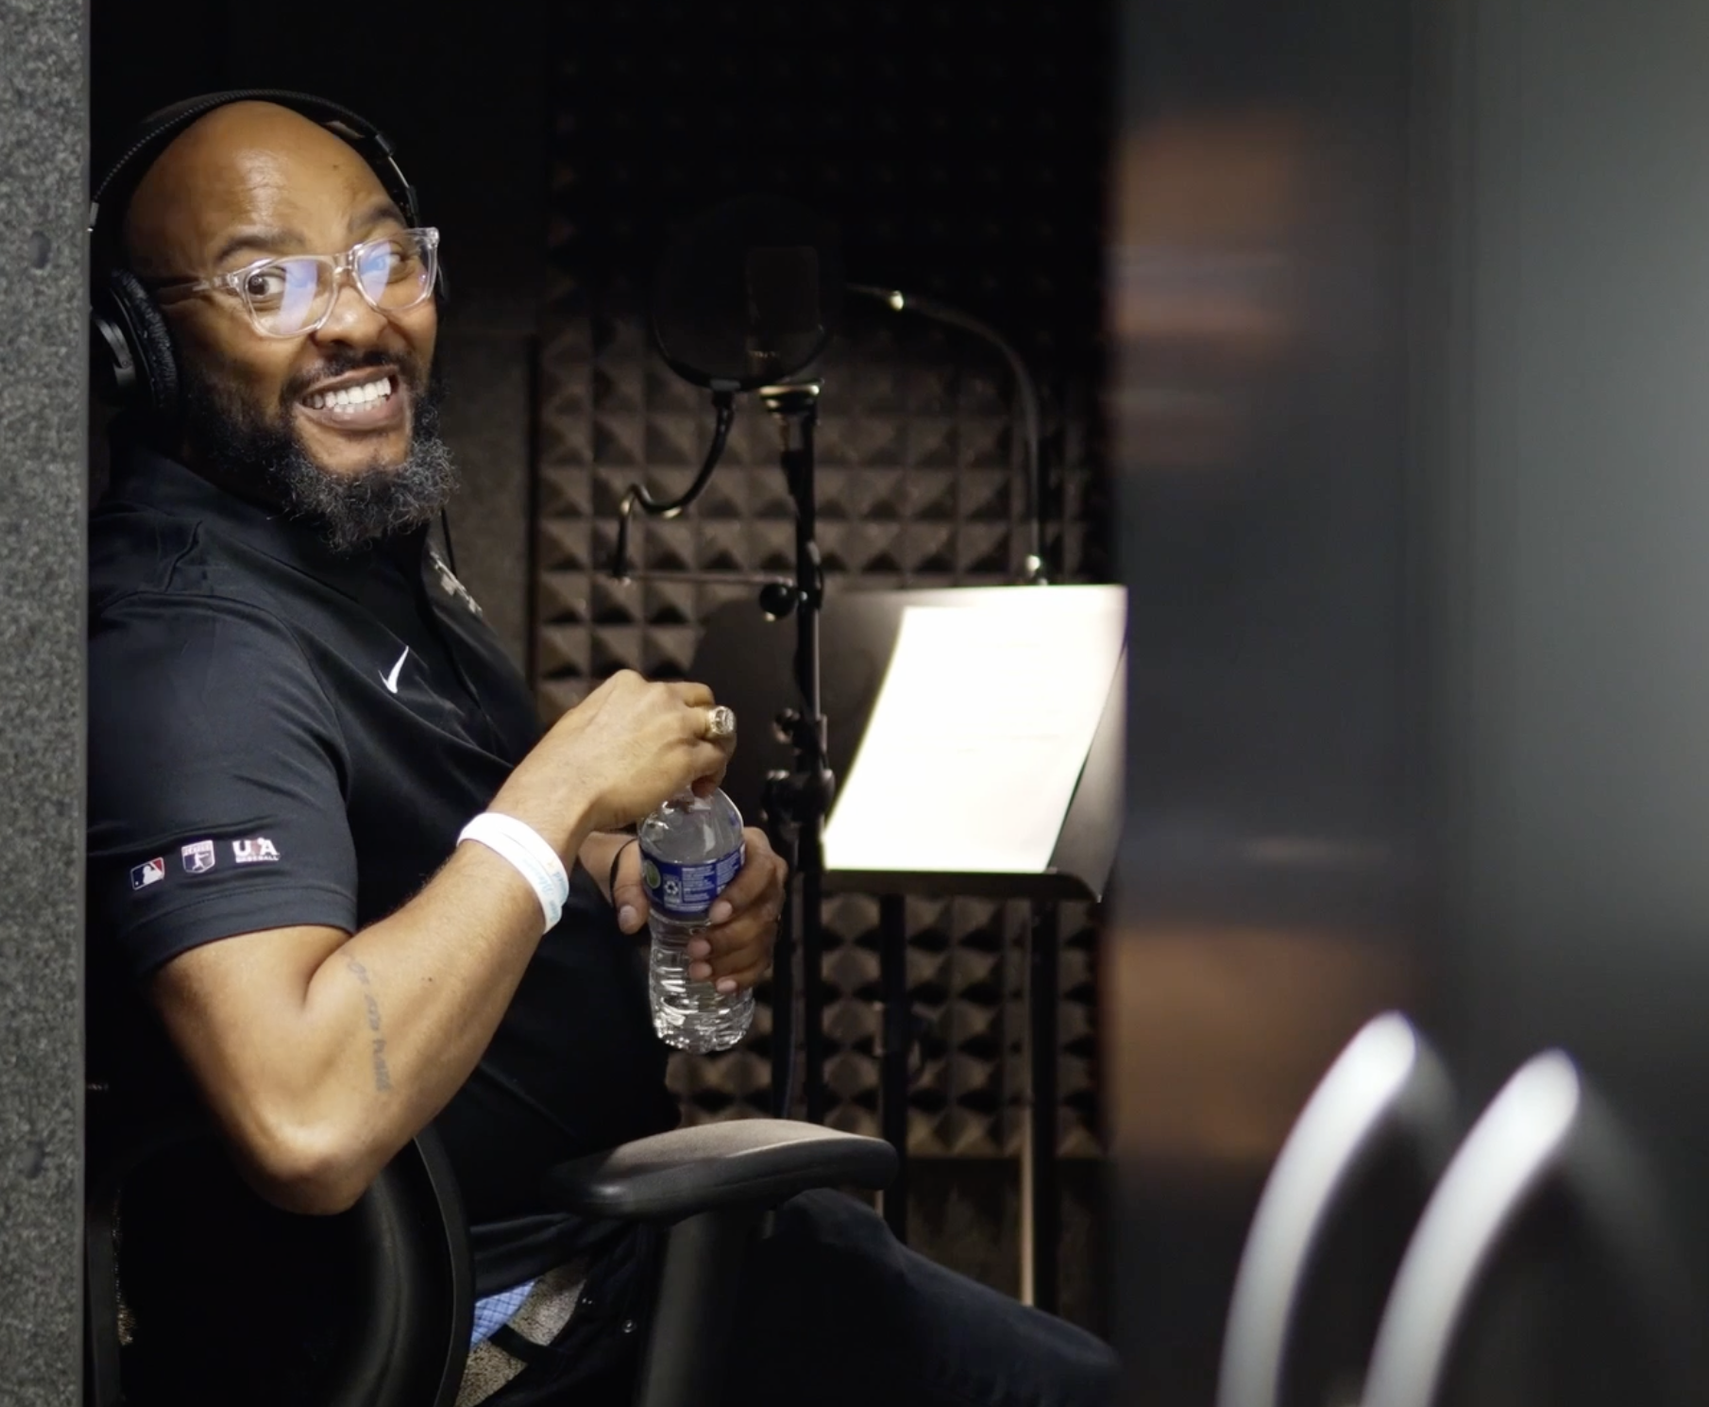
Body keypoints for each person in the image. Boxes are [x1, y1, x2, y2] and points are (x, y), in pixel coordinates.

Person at [86, 94, 1117, 1407]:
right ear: (143, 346)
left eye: (386, 256)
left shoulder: (343, 549)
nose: (358, 316)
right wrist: (560, 788)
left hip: (611, 1269)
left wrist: (617, 869)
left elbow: (411, 849)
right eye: (268, 281)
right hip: (518, 1338)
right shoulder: (188, 652)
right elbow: (305, 1118)